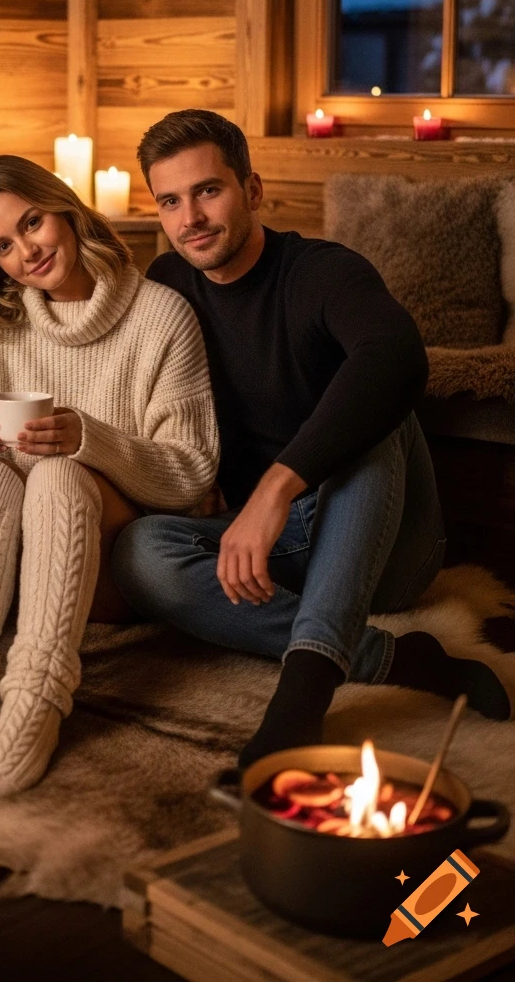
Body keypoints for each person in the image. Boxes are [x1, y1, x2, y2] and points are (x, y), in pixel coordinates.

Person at [111, 110, 511, 768]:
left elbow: (397, 356)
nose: (192, 218)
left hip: (384, 544)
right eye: (171, 201)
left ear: (254, 190)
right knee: (140, 552)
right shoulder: (167, 287)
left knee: (378, 413)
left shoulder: (323, 271)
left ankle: (302, 697)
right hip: (273, 551)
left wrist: (277, 485)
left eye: (208, 190)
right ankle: (398, 658)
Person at [0, 155, 217, 800]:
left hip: (121, 557)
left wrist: (89, 439)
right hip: (22, 559)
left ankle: (37, 698)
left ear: (65, 210)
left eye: (33, 222)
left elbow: (191, 474)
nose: (27, 252)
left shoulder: (163, 316)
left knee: (58, 474)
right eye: (3, 247)